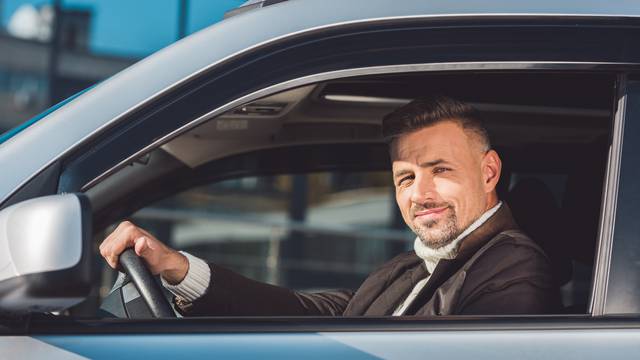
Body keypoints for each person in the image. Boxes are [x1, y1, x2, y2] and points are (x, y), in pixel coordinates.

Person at [99, 96, 560, 316]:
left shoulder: (514, 268)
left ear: (489, 172)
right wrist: (178, 268)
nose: (420, 195)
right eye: (406, 177)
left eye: (440, 170)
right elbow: (313, 312)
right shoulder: (409, 267)